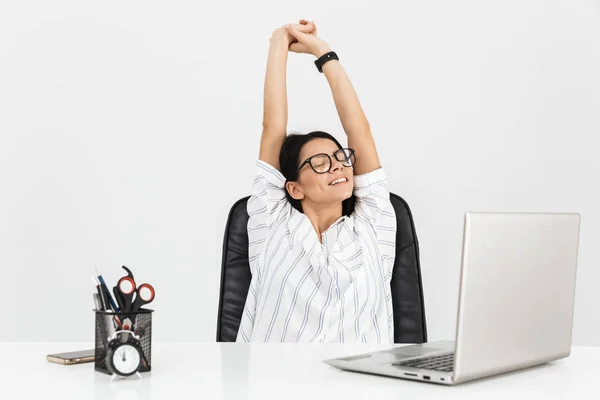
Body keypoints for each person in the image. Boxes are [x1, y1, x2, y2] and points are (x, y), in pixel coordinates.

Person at [237, 20, 397, 343]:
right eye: (321, 163)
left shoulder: (373, 225)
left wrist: (322, 52)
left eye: (340, 158)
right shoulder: (272, 224)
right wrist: (279, 42)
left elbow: (359, 131)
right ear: (293, 187)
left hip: (361, 387)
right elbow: (272, 127)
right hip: (276, 386)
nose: (338, 167)